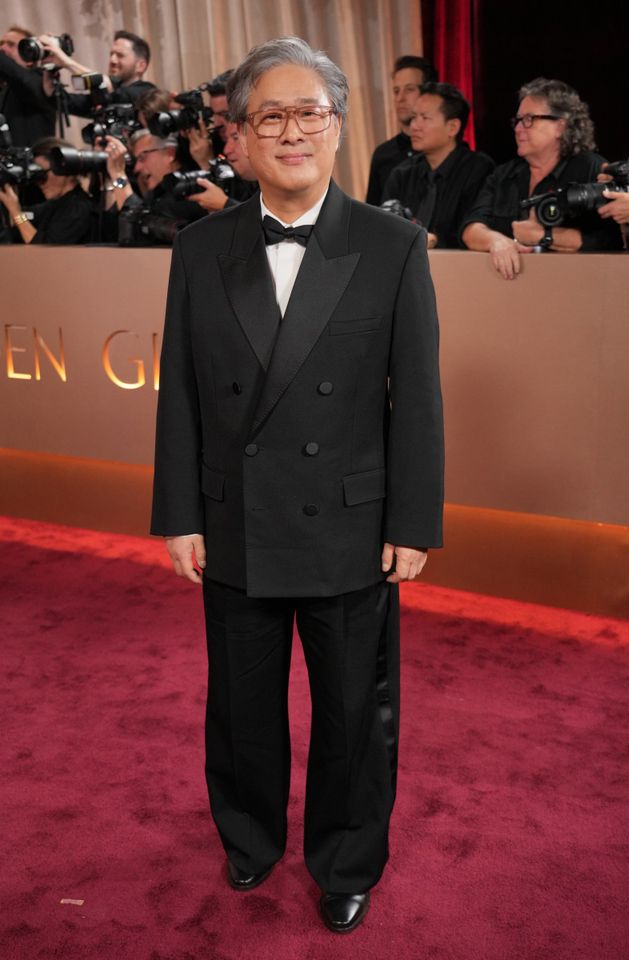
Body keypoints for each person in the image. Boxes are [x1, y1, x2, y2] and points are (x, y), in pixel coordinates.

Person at [151, 36, 444, 934]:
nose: (291, 132)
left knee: (355, 713)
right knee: (241, 704)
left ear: (338, 126)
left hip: (349, 525)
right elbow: (181, 393)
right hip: (235, 518)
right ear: (237, 136)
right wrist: (179, 514)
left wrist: (413, 522)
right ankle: (248, 836)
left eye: (308, 113)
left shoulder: (393, 245)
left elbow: (416, 395)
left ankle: (347, 859)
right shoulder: (200, 247)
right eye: (269, 115)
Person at [461, 77, 622, 280]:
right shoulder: (503, 174)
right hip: (506, 288)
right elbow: (470, 228)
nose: (518, 129)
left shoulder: (592, 170)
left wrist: (544, 236)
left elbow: (611, 239)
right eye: (518, 120)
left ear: (560, 127)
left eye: (529, 119)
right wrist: (495, 240)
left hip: (575, 285)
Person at [382, 81, 494, 248]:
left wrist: (434, 240)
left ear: (452, 127)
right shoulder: (402, 174)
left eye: (425, 118)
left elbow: (473, 228)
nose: (414, 126)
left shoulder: (479, 169)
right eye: (414, 117)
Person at [102, 129, 206, 235]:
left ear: (170, 153)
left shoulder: (191, 191)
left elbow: (140, 222)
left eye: (142, 157)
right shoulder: (156, 194)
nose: (137, 168)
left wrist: (118, 174)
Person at [365, 54, 438, 206]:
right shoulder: (383, 154)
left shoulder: (441, 150)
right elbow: (372, 213)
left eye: (409, 89)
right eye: (396, 91)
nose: (400, 98)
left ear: (429, 94)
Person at [39, 30, 156, 116]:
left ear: (141, 65)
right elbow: (60, 101)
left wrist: (64, 60)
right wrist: (49, 64)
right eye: (111, 54)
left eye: (120, 55)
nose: (112, 60)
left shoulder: (148, 93)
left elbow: (108, 86)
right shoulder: (103, 97)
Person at [0, 135, 92, 243]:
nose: (39, 183)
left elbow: (44, 249)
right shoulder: (55, 204)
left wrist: (16, 212)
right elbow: (26, 215)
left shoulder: (77, 209)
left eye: (42, 175)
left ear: (63, 167)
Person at [0, 24, 55, 146]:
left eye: (11, 45)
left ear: (30, 56)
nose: (2, 48)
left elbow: (20, 78)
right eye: (1, 44)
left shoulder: (43, 80)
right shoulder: (4, 88)